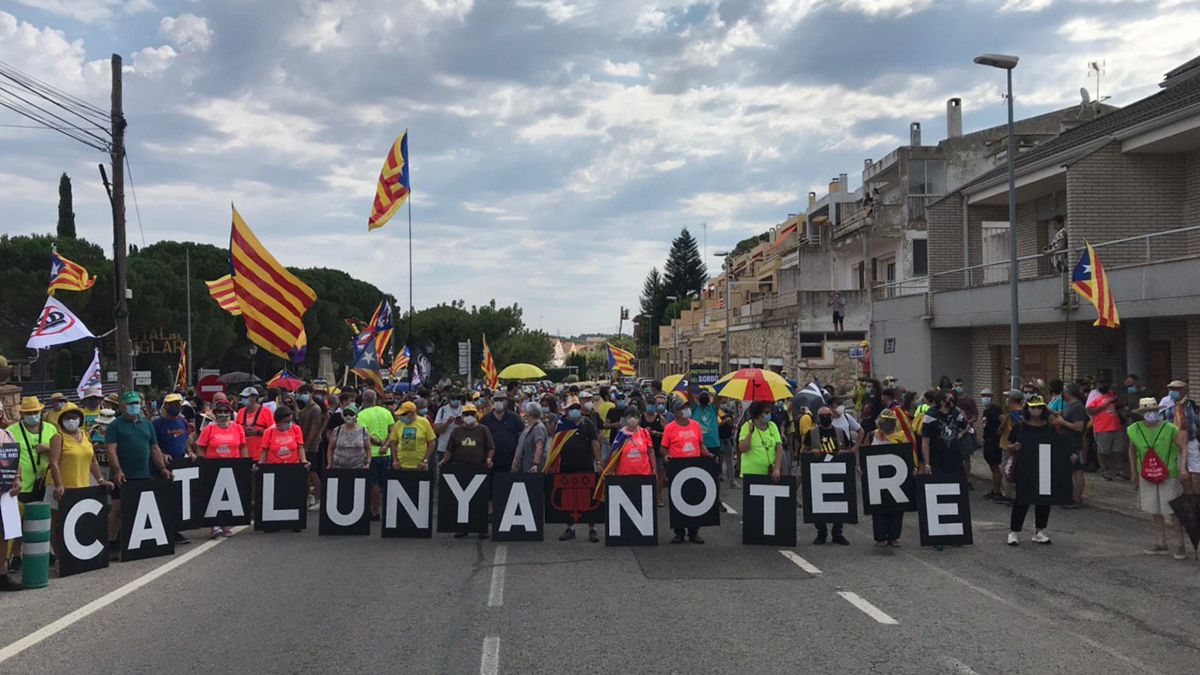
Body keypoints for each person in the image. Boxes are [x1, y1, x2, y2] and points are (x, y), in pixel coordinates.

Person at [1126, 397, 1190, 559]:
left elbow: (1183, 448)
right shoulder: (1135, 429)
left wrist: (1183, 468)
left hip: (1169, 473)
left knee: (1173, 510)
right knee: (1153, 509)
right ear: (1142, 414)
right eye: (1147, 412)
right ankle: (1160, 543)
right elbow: (1132, 450)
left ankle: (1180, 545)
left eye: (1153, 411)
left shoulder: (1169, 428)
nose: (1151, 415)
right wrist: (1133, 471)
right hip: (1146, 473)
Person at [105, 392, 172, 542]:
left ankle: (130, 540)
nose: (134, 406)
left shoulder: (147, 424)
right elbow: (111, 450)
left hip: (143, 474)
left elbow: (154, 448)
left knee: (138, 508)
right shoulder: (115, 426)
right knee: (117, 509)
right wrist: (117, 470)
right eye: (130, 404)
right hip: (123, 475)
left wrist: (162, 468)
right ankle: (111, 541)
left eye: (136, 403)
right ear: (123, 406)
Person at [548, 402, 602, 542]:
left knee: (590, 496)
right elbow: (556, 445)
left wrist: (598, 462)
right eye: (571, 409)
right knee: (568, 497)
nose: (574, 411)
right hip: (567, 466)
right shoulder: (562, 424)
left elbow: (594, 443)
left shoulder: (587, 423)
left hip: (585, 465)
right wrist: (553, 464)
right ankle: (570, 528)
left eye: (577, 409)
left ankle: (592, 528)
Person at [439, 404, 495, 539]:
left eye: (472, 413)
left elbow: (490, 447)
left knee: (480, 500)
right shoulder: (457, 431)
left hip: (479, 469)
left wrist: (488, 458)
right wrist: (443, 461)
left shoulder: (483, 430)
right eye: (466, 414)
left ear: (476, 415)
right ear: (462, 416)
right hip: (460, 469)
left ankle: (481, 528)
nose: (469, 416)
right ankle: (463, 528)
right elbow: (450, 450)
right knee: (462, 502)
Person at [661, 400, 713, 544]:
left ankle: (694, 531)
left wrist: (707, 454)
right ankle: (679, 532)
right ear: (677, 412)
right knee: (677, 499)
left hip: (694, 466)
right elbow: (663, 447)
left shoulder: (695, 425)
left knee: (694, 498)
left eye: (686, 407)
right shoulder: (670, 428)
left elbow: (701, 445)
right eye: (683, 408)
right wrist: (666, 456)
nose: (687, 409)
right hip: (677, 467)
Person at [1005, 396, 1054, 546]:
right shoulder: (1019, 427)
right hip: (1025, 466)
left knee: (1043, 500)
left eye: (1039, 407)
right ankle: (1014, 531)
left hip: (1044, 465)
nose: (1036, 410)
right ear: (1028, 409)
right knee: (1022, 500)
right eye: (1033, 407)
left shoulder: (1049, 428)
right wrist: (1014, 447)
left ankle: (1039, 531)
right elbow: (1008, 446)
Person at [806, 406, 854, 545]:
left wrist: (845, 452)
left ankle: (837, 532)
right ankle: (821, 532)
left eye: (828, 415)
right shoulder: (812, 433)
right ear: (818, 418)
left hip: (836, 470)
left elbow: (848, 448)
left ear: (832, 417)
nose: (825, 418)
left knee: (839, 502)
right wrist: (811, 452)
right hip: (818, 472)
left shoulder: (840, 432)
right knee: (818, 502)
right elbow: (803, 450)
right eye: (822, 416)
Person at [870, 408, 908, 546]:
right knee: (879, 508)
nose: (887, 424)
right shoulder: (871, 436)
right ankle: (880, 537)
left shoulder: (901, 437)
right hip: (876, 477)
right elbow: (864, 453)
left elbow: (908, 456)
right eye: (884, 421)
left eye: (890, 422)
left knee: (897, 507)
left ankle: (894, 536)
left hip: (896, 477)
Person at [356, 390, 393, 520]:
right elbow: (392, 431)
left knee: (374, 483)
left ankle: (374, 511)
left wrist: (378, 443)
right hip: (386, 453)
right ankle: (389, 510)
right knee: (385, 482)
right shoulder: (386, 412)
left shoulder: (361, 415)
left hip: (371, 454)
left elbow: (364, 432)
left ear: (363, 400)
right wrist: (386, 445)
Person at [1052, 384, 1088, 508]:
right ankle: (1071, 495)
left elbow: (1079, 426)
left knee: (1077, 470)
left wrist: (1063, 422)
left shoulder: (1078, 407)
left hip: (1074, 443)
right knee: (1070, 469)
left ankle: (1076, 498)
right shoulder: (1070, 406)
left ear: (1068, 393)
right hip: (1066, 442)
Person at [920, 391, 968, 481]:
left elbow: (965, 425)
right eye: (950, 399)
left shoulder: (955, 413)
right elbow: (925, 442)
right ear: (942, 402)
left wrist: (961, 433)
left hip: (955, 459)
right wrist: (927, 463)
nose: (953, 401)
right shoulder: (930, 416)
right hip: (937, 461)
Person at [1087, 382, 1127, 481]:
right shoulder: (1094, 396)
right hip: (1102, 427)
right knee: (1103, 450)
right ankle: (1104, 470)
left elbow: (1119, 405)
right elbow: (1090, 410)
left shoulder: (1112, 395)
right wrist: (1103, 406)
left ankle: (1120, 470)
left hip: (1115, 426)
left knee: (1118, 449)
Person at [482, 391, 523, 477]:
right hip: (492, 460)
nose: (499, 402)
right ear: (493, 401)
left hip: (510, 459)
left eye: (502, 399)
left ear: (507, 401)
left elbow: (521, 436)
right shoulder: (486, 419)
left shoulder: (515, 418)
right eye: (496, 399)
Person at [387, 402, 436, 471]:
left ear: (412, 413)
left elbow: (432, 443)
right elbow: (393, 442)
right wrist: (395, 460)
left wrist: (425, 460)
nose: (401, 416)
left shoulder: (424, 422)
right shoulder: (398, 424)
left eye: (404, 414)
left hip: (420, 466)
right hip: (401, 465)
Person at [979, 388, 1007, 501]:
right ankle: (995, 488)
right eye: (983, 396)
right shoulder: (986, 411)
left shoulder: (996, 409)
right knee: (992, 466)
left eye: (988, 395)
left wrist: (999, 430)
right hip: (988, 441)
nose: (985, 398)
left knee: (995, 467)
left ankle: (997, 491)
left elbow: (1004, 420)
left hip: (994, 442)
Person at [642, 395, 669, 506]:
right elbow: (633, 431)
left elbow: (668, 432)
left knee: (659, 473)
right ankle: (646, 497)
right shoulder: (641, 417)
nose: (651, 407)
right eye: (649, 404)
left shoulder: (660, 418)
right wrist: (644, 431)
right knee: (645, 474)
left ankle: (658, 497)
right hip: (644, 450)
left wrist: (657, 433)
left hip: (657, 449)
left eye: (653, 404)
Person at [235, 387, 274, 464]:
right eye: (243, 397)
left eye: (246, 397)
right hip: (244, 454)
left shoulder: (266, 411)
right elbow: (236, 430)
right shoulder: (240, 412)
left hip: (260, 454)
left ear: (255, 397)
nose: (243, 399)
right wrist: (243, 431)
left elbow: (272, 431)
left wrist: (258, 432)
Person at [326, 404, 370, 470]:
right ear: (342, 416)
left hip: (359, 468)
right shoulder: (337, 430)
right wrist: (329, 463)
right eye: (345, 414)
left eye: (351, 414)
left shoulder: (363, 431)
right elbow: (331, 448)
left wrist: (368, 463)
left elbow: (368, 449)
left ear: (356, 416)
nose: (348, 416)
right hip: (338, 468)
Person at [153, 393, 192, 465]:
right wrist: (162, 455)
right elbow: (152, 445)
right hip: (165, 463)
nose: (174, 406)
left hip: (182, 462)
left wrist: (189, 451)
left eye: (177, 404)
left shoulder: (183, 422)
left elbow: (185, 440)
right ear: (165, 406)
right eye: (171, 404)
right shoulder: (157, 423)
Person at [512, 403, 548, 473]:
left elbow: (539, 447)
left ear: (530, 414)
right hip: (525, 465)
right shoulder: (529, 426)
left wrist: (535, 464)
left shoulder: (538, 428)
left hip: (532, 467)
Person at [433, 392, 465, 467]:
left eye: (458, 398)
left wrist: (462, 423)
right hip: (443, 447)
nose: (456, 400)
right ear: (449, 399)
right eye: (453, 398)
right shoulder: (442, 410)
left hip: (461, 448)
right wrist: (447, 423)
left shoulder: (466, 409)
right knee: (441, 470)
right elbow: (436, 430)